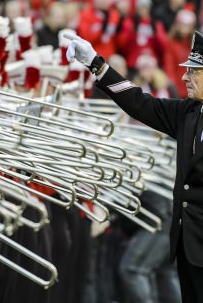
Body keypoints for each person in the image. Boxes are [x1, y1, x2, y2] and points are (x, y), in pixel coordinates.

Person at [64, 30, 203, 303]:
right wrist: (96, 64)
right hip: (189, 246)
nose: (185, 77)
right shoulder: (190, 112)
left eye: (194, 72)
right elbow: (140, 102)